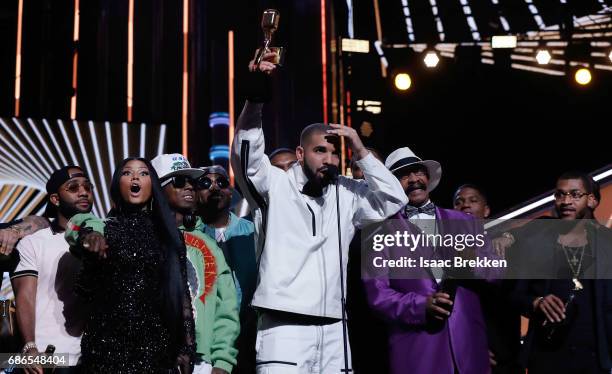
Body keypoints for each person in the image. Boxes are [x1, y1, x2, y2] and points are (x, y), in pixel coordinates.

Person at [231, 54, 407, 374]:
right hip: (284, 328)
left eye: (335, 152)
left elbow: (395, 200)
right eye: (320, 150)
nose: (329, 158)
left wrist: (361, 149)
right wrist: (255, 100)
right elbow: (246, 157)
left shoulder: (348, 193)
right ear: (301, 154)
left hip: (335, 330)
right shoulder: (277, 186)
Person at [363, 146, 497, 374]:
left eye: (418, 172)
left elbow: (496, 274)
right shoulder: (379, 232)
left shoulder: (463, 221)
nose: (414, 179)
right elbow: (379, 296)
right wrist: (421, 305)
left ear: (427, 177)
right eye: (404, 175)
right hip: (418, 352)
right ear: (392, 184)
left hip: (469, 347)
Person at [64, 158, 195, 373]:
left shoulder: (168, 235)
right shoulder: (103, 229)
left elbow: (181, 295)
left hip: (156, 353)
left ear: (152, 184)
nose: (135, 177)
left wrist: (186, 347)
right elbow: (86, 292)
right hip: (105, 352)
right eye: (127, 173)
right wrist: (90, 248)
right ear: (117, 184)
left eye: (143, 173)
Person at [513, 171, 612, 374]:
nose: (566, 201)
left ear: (591, 200)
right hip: (547, 358)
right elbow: (513, 295)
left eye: (575, 194)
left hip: (596, 360)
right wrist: (536, 302)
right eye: (560, 194)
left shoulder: (607, 243)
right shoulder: (536, 242)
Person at [152, 154, 239, 374]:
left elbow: (226, 307)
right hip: (151, 356)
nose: (189, 187)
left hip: (201, 361)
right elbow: (85, 224)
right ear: (157, 189)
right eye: (179, 181)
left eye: (192, 181)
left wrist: (222, 362)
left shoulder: (207, 244)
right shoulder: (142, 235)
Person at [10, 166, 94, 373]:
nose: (83, 192)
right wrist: (30, 348)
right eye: (73, 187)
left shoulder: (103, 240)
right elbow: (25, 297)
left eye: (87, 187)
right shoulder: (35, 242)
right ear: (55, 199)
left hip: (92, 358)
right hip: (46, 360)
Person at [453, 184, 522, 374]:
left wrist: (510, 236)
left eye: (473, 200)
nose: (465, 205)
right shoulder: (442, 252)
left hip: (502, 352)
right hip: (463, 354)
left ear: (487, 210)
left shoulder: (503, 245)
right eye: (458, 202)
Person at [196, 165, 258, 374]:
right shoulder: (191, 237)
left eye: (221, 182)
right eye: (205, 183)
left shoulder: (253, 231)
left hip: (250, 339)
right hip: (206, 344)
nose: (214, 187)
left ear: (230, 192)